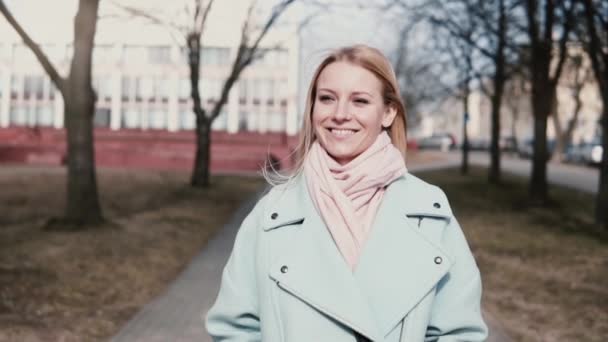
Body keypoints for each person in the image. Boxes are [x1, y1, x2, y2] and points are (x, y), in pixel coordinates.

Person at [206, 44, 488, 341]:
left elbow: (458, 332)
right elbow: (234, 329)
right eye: (327, 98)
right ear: (313, 108)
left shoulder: (429, 212)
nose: (340, 114)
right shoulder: (272, 214)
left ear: (388, 112)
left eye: (360, 101)